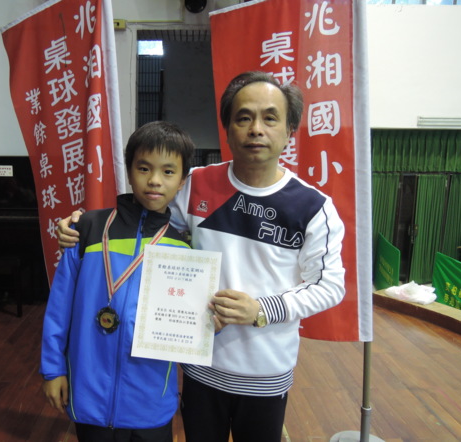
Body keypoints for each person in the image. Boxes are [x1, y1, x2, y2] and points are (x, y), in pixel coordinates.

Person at [58, 71, 346, 442]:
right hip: (199, 369)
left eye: (270, 118)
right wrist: (81, 225)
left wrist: (261, 309)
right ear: (227, 128)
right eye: (244, 117)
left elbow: (329, 286)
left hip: (265, 374)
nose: (256, 129)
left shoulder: (313, 206)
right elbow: (147, 220)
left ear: (290, 130)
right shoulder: (196, 184)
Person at [41, 120, 195, 442]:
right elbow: (59, 308)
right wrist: (53, 369)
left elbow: (187, 322)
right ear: (129, 170)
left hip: (151, 402)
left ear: (182, 181)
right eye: (143, 168)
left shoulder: (183, 248)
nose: (154, 180)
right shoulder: (87, 229)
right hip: (89, 395)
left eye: (168, 171)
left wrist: (207, 323)